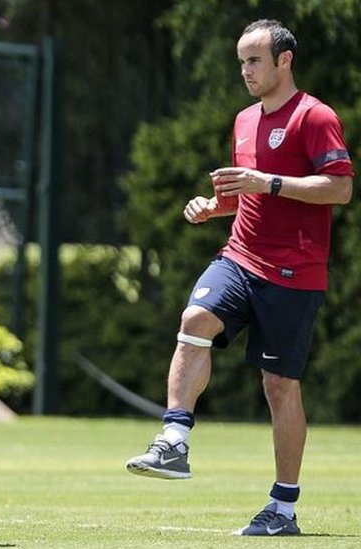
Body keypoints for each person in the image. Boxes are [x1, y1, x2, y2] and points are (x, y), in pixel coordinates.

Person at [124, 19, 354, 537]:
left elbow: (339, 189)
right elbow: (244, 192)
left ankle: (283, 508)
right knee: (194, 318)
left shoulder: (315, 117)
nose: (246, 71)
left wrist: (266, 182)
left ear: (284, 60)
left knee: (279, 386)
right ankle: (174, 440)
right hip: (240, 257)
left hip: (295, 272)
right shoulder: (244, 120)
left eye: (254, 61)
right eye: (241, 62)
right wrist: (215, 207)